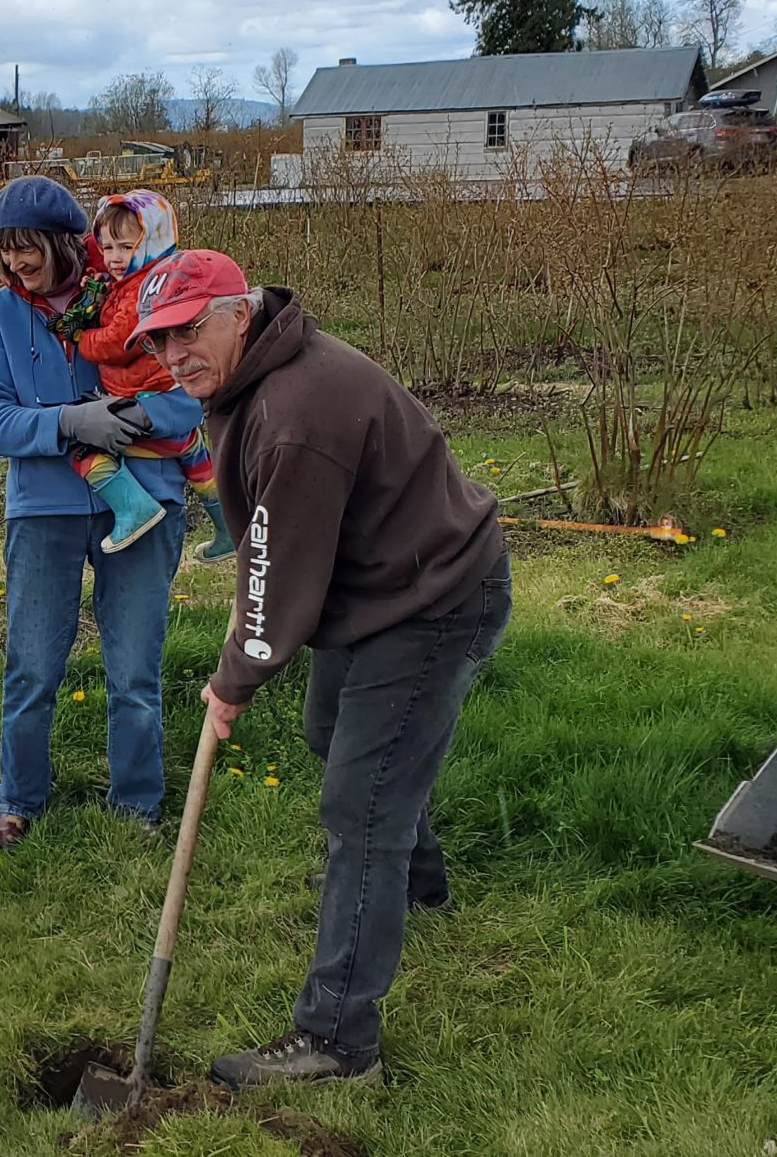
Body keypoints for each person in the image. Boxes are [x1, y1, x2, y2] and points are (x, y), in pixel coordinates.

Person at [132, 251, 512, 1087]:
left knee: (362, 803)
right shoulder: (259, 371)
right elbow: (272, 532)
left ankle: (340, 1043)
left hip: (433, 597)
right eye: (158, 342)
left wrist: (234, 679)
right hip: (383, 581)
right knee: (332, 731)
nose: (173, 356)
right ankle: (411, 886)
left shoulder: (296, 411)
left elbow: (278, 587)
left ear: (239, 311)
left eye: (188, 330)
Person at [0, 176, 201, 850]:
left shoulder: (140, 292)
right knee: (33, 668)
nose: (16, 263)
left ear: (66, 242)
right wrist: (73, 421)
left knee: (134, 669)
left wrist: (133, 418)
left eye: (27, 248)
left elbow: (193, 386)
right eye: (5, 251)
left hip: (145, 500)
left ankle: (136, 805)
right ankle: (18, 802)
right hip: (44, 511)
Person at [72, 190, 235, 562]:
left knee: (83, 450)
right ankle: (229, 528)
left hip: (140, 396)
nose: (113, 257)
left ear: (151, 242)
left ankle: (132, 509)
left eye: (125, 247)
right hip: (167, 395)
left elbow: (116, 343)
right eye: (107, 246)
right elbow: (102, 264)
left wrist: (84, 339)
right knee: (196, 457)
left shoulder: (141, 291)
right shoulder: (146, 279)